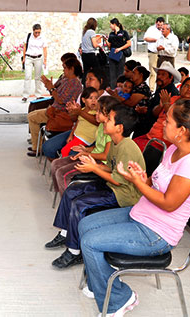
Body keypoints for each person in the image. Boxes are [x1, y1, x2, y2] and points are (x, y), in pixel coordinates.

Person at [78, 99, 190, 316]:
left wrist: (137, 183)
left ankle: (119, 299)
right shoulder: (173, 149)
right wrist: (141, 177)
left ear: (182, 130)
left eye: (168, 121)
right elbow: (155, 182)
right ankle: (101, 282)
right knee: (86, 223)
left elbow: (169, 203)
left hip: (157, 233)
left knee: (90, 242)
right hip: (140, 215)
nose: (163, 123)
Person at [46, 105, 145, 269]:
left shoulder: (127, 147)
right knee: (72, 190)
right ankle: (65, 233)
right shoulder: (115, 142)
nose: (105, 121)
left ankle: (74, 252)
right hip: (112, 185)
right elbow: (112, 168)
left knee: (80, 204)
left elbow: (119, 181)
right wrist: (95, 165)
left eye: (110, 119)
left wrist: (94, 169)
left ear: (119, 128)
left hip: (123, 195)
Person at [50, 96, 119, 195]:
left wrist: (86, 154)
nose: (96, 113)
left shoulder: (110, 131)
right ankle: (62, 193)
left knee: (62, 174)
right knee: (55, 164)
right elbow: (98, 147)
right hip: (92, 157)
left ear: (108, 114)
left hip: (101, 163)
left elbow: (105, 156)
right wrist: (86, 149)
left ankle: (67, 202)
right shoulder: (101, 126)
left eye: (99, 111)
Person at [41, 67, 108, 159]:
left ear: (101, 81)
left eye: (91, 79)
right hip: (77, 131)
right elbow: (76, 120)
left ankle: (64, 166)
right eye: (86, 79)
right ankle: (59, 166)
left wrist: (79, 112)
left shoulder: (107, 98)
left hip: (92, 137)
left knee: (72, 153)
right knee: (47, 147)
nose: (87, 82)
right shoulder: (83, 95)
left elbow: (99, 122)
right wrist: (72, 112)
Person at [27, 58, 82, 156]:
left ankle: (38, 148)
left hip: (60, 113)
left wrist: (51, 88)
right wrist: (50, 86)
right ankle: (38, 144)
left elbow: (61, 100)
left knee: (32, 117)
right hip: (54, 109)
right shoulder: (66, 80)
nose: (63, 70)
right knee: (32, 113)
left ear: (71, 69)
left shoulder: (74, 83)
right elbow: (55, 93)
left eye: (65, 68)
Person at [133, 76, 190, 150]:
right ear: (180, 88)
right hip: (152, 136)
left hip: (165, 143)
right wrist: (161, 105)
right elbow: (155, 114)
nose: (189, 89)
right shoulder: (173, 98)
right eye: (187, 86)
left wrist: (166, 104)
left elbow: (176, 120)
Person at [60, 87, 99, 157]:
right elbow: (77, 123)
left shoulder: (97, 112)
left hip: (85, 139)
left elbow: (96, 121)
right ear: (83, 100)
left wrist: (79, 112)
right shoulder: (82, 109)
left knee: (64, 151)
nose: (94, 100)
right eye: (90, 98)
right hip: (77, 136)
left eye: (96, 98)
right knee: (65, 149)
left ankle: (63, 165)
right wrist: (71, 135)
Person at [21, 23, 47, 102]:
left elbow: (45, 49)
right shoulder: (28, 36)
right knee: (27, 76)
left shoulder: (42, 38)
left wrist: (45, 60)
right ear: (33, 31)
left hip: (38, 58)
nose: (37, 34)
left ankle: (38, 95)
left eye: (39, 32)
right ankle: (25, 95)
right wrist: (24, 57)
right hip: (29, 57)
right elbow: (25, 46)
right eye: (36, 32)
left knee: (38, 77)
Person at [106, 18, 131, 89]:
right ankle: (113, 88)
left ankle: (120, 87)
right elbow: (109, 46)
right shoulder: (111, 34)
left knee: (120, 71)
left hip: (121, 54)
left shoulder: (123, 33)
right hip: (113, 54)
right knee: (112, 72)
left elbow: (129, 43)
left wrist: (120, 48)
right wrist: (105, 40)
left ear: (114, 24)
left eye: (111, 24)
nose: (110, 26)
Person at [143, 16, 164, 90]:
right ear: (156, 23)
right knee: (153, 72)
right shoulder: (151, 29)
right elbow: (145, 38)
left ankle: (160, 89)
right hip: (153, 53)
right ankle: (151, 89)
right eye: (158, 25)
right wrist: (155, 40)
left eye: (161, 25)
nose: (160, 26)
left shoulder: (165, 29)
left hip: (162, 54)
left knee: (162, 72)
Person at [81, 17, 102, 83]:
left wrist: (99, 39)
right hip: (90, 54)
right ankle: (98, 84)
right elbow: (94, 45)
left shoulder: (85, 31)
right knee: (97, 71)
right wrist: (99, 45)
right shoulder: (92, 32)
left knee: (86, 71)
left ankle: (85, 84)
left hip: (84, 54)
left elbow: (90, 42)